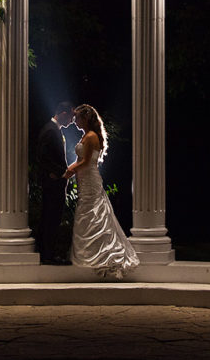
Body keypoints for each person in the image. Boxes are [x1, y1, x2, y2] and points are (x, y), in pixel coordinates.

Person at [63, 104, 139, 278]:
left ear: (85, 119)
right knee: (87, 214)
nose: (75, 121)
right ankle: (91, 255)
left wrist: (69, 171)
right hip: (84, 179)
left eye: (78, 118)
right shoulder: (86, 136)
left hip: (90, 179)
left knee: (93, 213)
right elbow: (81, 159)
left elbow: (86, 161)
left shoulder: (91, 137)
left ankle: (104, 255)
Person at [35, 101, 74, 263]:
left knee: (51, 218)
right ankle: (47, 255)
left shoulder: (54, 130)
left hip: (55, 183)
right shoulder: (51, 130)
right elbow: (42, 156)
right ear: (63, 114)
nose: (72, 121)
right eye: (71, 117)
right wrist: (60, 173)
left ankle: (46, 253)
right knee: (51, 218)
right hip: (53, 184)